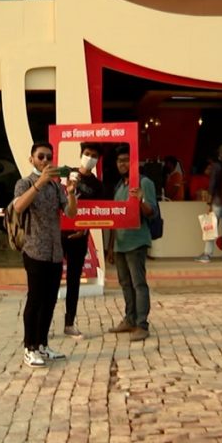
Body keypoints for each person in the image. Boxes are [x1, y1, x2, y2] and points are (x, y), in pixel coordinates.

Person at [13, 141, 77, 368]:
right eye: (41, 156)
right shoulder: (25, 183)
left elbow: (70, 213)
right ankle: (29, 347)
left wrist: (71, 194)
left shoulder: (56, 187)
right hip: (34, 249)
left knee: (50, 300)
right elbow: (18, 207)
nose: (45, 161)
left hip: (55, 252)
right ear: (31, 159)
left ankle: (42, 344)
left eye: (49, 157)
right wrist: (39, 182)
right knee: (35, 299)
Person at [106, 145, 156, 342]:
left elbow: (151, 212)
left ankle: (142, 324)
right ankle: (130, 319)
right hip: (120, 243)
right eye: (120, 161)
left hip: (137, 241)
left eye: (126, 160)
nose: (122, 164)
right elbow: (115, 218)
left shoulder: (145, 183)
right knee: (125, 284)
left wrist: (141, 200)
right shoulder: (119, 186)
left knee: (138, 284)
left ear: (134, 162)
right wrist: (111, 247)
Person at [60, 142, 104, 339]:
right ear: (80, 154)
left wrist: (84, 228)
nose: (90, 158)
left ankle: (69, 323)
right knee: (50, 280)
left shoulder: (98, 185)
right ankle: (43, 324)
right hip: (58, 235)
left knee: (73, 281)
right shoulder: (66, 173)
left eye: (94, 155)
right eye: (87, 154)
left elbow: (98, 212)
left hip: (80, 238)